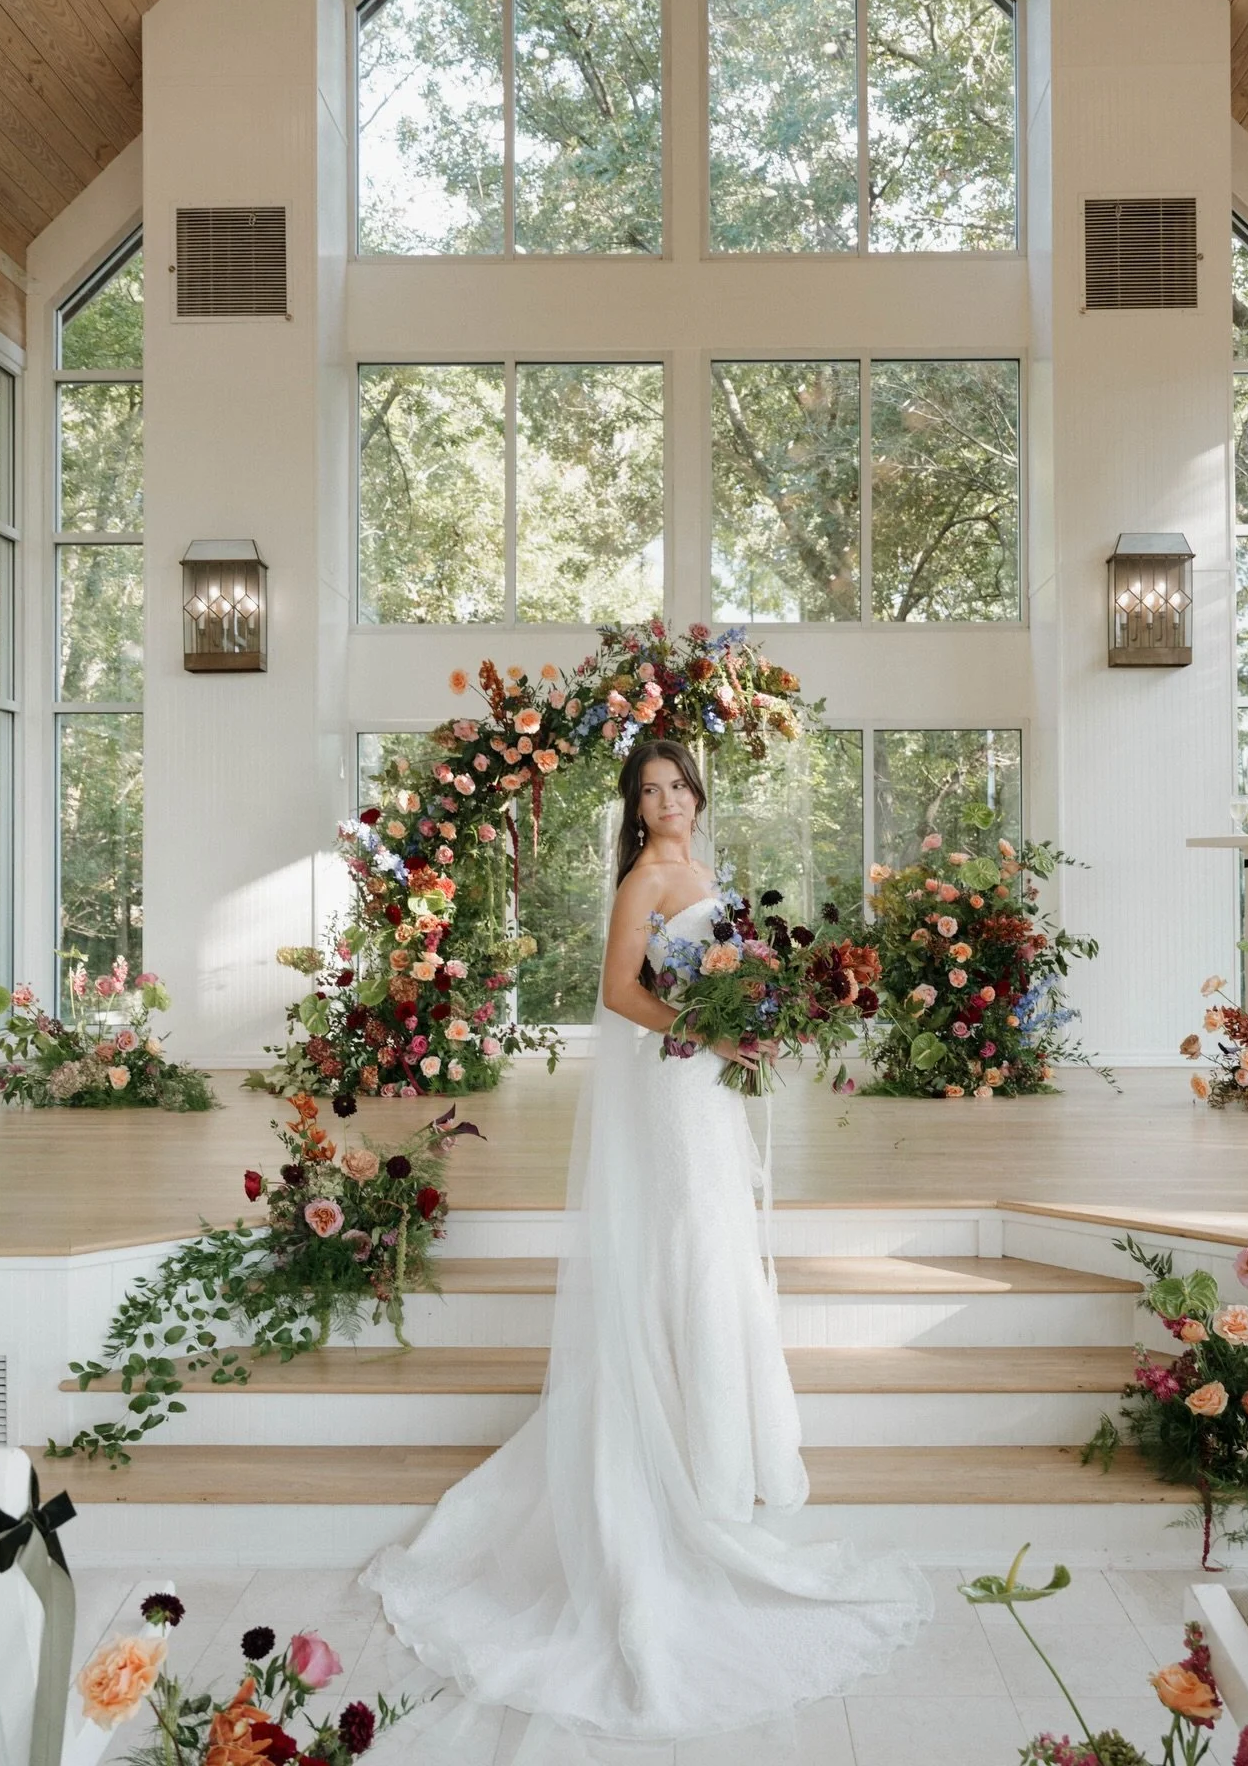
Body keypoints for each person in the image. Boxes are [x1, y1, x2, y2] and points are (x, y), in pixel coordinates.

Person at [362, 739, 931, 1764]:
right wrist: (712, 1032)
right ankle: (682, 1457)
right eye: (650, 789)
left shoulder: (701, 869)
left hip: (707, 1079)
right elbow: (619, 990)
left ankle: (725, 1453)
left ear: (697, 795)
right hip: (677, 1079)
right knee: (690, 1246)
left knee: (715, 1241)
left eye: (677, 785)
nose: (666, 800)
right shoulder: (645, 877)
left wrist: (757, 1012)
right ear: (635, 807)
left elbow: (714, 970)